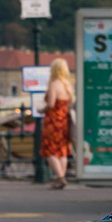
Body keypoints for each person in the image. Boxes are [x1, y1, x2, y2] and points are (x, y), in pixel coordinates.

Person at [40, 57, 75, 190]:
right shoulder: (67, 85)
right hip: (64, 121)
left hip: (53, 121)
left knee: (49, 150)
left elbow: (51, 104)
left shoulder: (53, 83)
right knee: (62, 150)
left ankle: (59, 178)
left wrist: (41, 110)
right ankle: (61, 178)